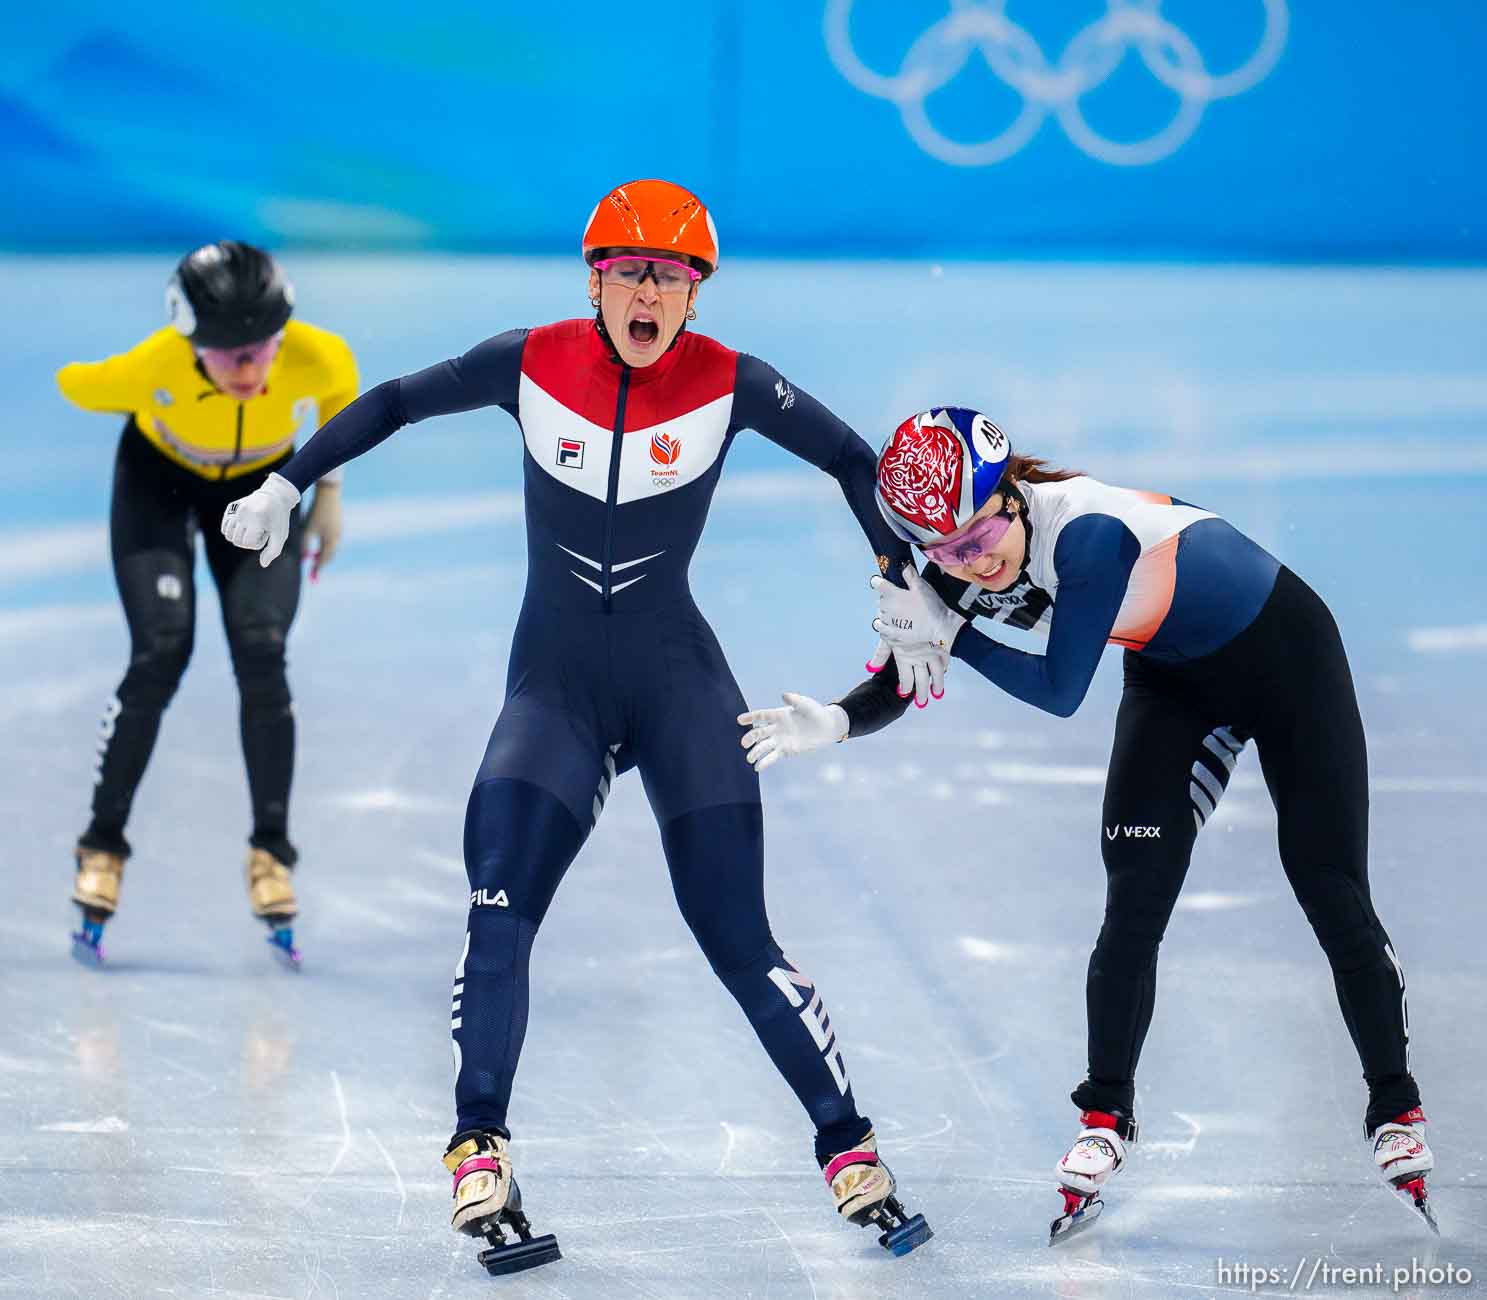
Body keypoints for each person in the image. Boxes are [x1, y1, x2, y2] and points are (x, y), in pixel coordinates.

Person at [219, 180, 932, 1273]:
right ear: (593, 279)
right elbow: (398, 401)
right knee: (498, 905)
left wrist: (897, 571)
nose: (646, 293)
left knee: (735, 936)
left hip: (676, 683)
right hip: (552, 690)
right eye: (628, 273)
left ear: (692, 296)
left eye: (669, 277)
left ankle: (849, 1147)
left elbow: (852, 457)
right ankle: (478, 1146)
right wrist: (289, 478)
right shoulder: (527, 358)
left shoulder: (732, 382)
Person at [738, 406, 1436, 1242]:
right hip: (1174, 680)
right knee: (1132, 899)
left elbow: (1059, 691)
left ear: (1014, 496)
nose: (972, 561)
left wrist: (951, 627)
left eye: (979, 535)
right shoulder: (966, 550)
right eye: (947, 553)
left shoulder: (1089, 538)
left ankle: (1393, 1104)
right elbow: (910, 661)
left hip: (1287, 660)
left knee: (1325, 885)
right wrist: (843, 721)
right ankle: (1104, 1117)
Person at [57, 241, 357, 967]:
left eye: (262, 348)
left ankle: (271, 855)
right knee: (161, 652)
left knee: (262, 652)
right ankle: (102, 845)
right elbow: (76, 384)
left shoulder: (319, 356)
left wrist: (329, 497)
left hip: (262, 485)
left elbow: (342, 402)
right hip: (157, 483)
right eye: (228, 354)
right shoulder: (146, 369)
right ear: (190, 344)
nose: (251, 367)